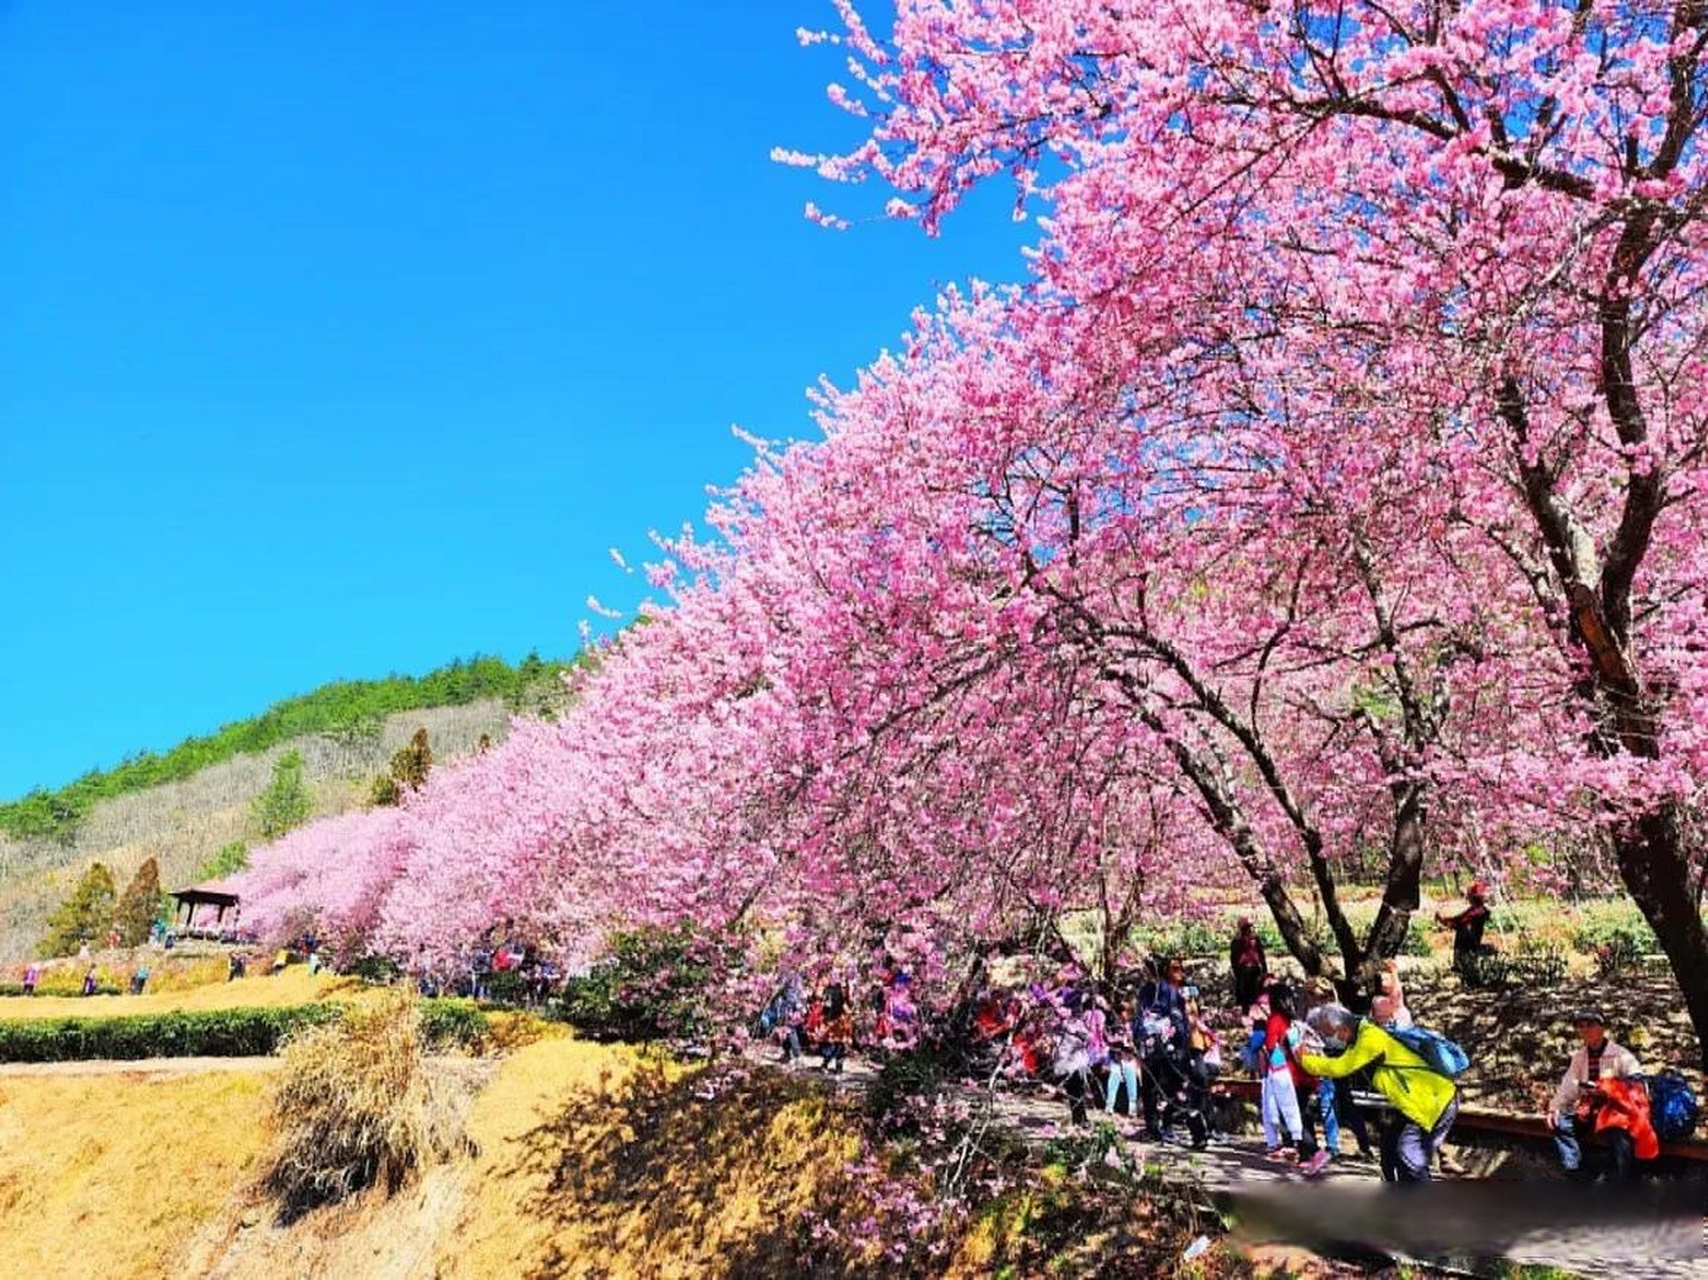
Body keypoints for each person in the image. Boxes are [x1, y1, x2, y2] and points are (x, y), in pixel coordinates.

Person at [1300, 1003, 1458, 1184]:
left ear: (1341, 1029)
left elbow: (1340, 1067)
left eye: (1327, 1034)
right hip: (1419, 1104)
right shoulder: (1361, 1035)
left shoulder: (1370, 1038)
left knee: (1409, 1156)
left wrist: (1304, 1059)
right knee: (1389, 1147)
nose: (1327, 1039)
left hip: (1433, 1102)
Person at [1547, 1009, 1648, 1182]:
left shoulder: (1620, 1054)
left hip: (1614, 1111)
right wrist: (1554, 1108)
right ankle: (1576, 1171)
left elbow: (1637, 1081)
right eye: (1581, 1026)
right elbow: (1568, 1086)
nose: (1586, 1030)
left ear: (1602, 1028)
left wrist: (1612, 1089)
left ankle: (1625, 1180)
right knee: (1561, 1124)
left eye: (1591, 1025)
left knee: (1619, 1135)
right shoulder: (1579, 1057)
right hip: (1590, 1110)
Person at [1260, 982, 1315, 1166]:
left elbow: (1269, 1045)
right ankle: (1308, 1152)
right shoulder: (1292, 1019)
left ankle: (1308, 1151)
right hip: (1304, 1073)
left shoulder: (1275, 1019)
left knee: (1291, 1113)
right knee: (1303, 1113)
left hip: (1287, 1075)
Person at [1436, 881, 1494, 966]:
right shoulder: (1479, 910)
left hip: (1467, 943)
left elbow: (1458, 921)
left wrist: (1442, 919)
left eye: (1469, 895)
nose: (1467, 897)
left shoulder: (1476, 911)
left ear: (1474, 897)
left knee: (1465, 964)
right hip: (1472, 942)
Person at [1229, 917, 1267, 1011]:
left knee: (1255, 992)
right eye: (1246, 928)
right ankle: (1246, 1010)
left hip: (1254, 968)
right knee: (1244, 993)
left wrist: (1264, 968)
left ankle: (1254, 1010)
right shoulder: (1237, 941)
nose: (1248, 930)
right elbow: (1234, 958)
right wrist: (1236, 971)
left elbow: (1261, 954)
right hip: (1243, 969)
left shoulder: (1255, 939)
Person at [819, 982, 853, 1074]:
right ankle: (825, 1064)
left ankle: (839, 1067)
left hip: (843, 1027)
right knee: (833, 1047)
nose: (844, 989)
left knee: (841, 1047)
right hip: (834, 1025)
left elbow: (849, 1012)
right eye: (842, 987)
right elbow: (825, 1011)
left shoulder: (847, 1000)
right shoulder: (832, 998)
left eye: (845, 987)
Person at [1378, 960, 1413, 1029]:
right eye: (1382, 980)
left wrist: (1394, 971)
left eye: (1386, 980)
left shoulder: (1396, 998)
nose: (1383, 983)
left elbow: (1397, 990)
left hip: (1401, 1026)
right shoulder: (1378, 1000)